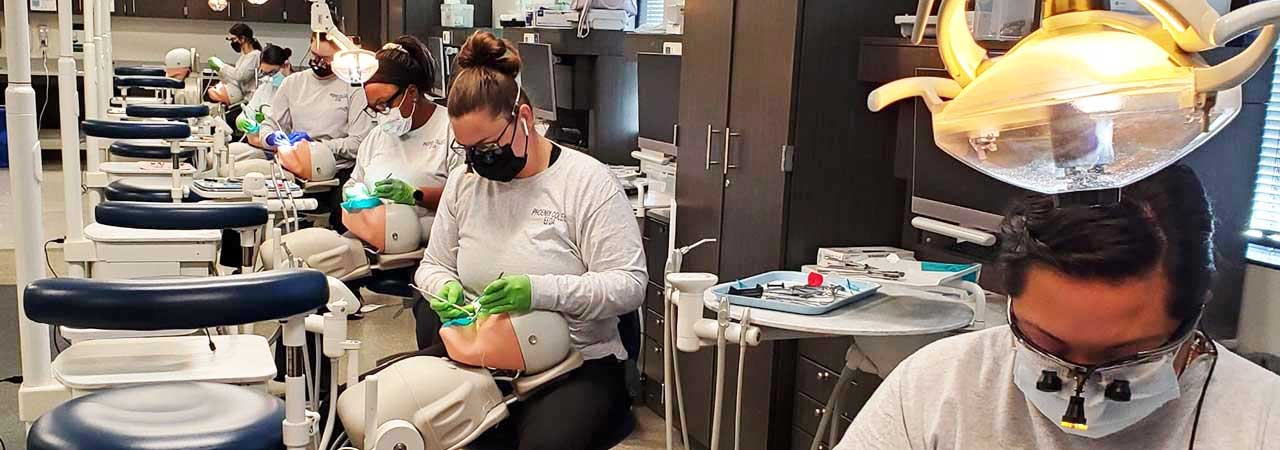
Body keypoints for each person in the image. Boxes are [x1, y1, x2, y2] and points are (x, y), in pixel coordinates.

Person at [836, 165, 1280, 450]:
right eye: (1046, 345)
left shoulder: (1262, 420)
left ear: (1192, 315)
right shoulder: (936, 388)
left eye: (1121, 359)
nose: (1077, 394)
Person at [413, 31, 646, 450]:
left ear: (523, 117)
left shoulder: (586, 183)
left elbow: (628, 285)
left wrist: (537, 291)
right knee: (403, 416)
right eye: (465, 149)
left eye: (487, 146)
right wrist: (442, 288)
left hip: (574, 364)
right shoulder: (466, 183)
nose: (476, 161)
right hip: (482, 356)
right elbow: (432, 266)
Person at [250, 34, 373, 230]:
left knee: (345, 220)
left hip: (339, 173)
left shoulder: (353, 87)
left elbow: (359, 144)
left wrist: (318, 147)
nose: (318, 62)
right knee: (257, 208)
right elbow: (269, 125)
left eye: (326, 58)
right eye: (315, 55)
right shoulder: (293, 83)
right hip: (296, 170)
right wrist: (271, 137)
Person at [231, 44, 294, 158]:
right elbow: (248, 112)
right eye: (265, 73)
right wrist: (243, 121)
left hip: (282, 152)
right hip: (259, 145)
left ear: (286, 65)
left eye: (272, 72)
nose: (269, 77)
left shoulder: (297, 91)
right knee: (228, 152)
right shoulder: (266, 88)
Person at [206, 23, 262, 105]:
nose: (232, 42)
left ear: (243, 39)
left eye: (233, 39)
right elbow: (236, 79)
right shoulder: (244, 56)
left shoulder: (254, 56)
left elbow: (240, 75)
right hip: (244, 98)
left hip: (251, 99)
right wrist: (220, 72)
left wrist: (222, 66)